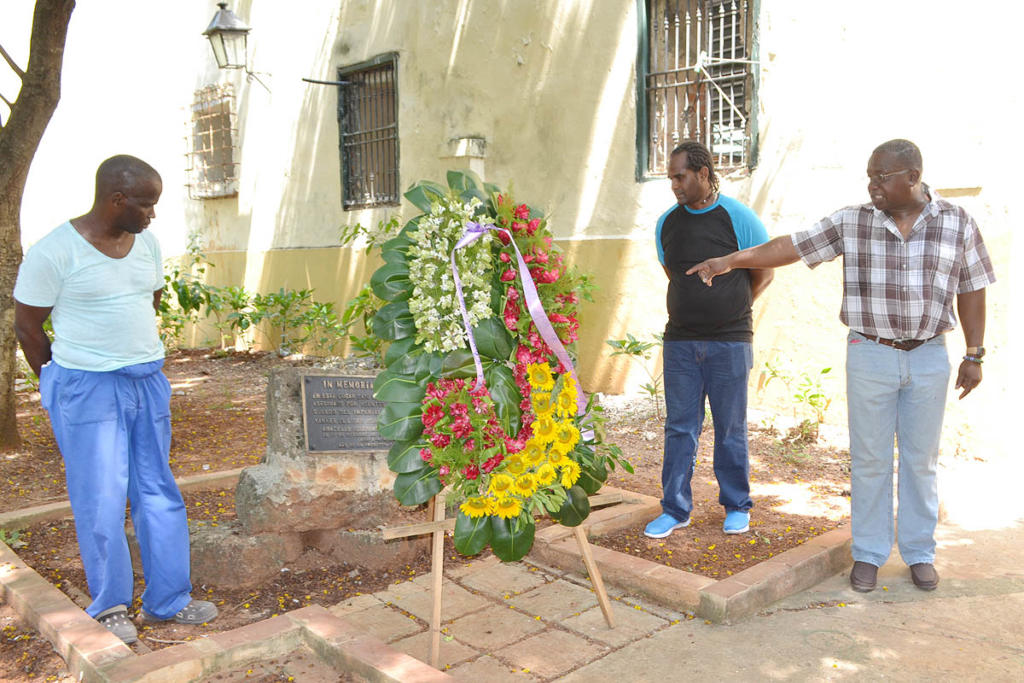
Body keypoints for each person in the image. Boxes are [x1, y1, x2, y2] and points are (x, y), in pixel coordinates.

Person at [688, 139, 994, 592]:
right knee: (869, 460)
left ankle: (919, 552)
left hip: (930, 355)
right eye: (869, 176)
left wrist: (974, 352)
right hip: (870, 352)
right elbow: (791, 247)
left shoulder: (957, 222)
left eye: (882, 177)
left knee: (921, 461)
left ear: (913, 176)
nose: (873, 186)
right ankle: (869, 553)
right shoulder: (854, 221)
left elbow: (972, 287)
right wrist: (730, 261)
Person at [13, 155, 218, 643]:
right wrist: (58, 383)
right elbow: (27, 327)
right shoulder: (54, 253)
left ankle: (169, 600)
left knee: (158, 490)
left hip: (146, 380)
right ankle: (110, 606)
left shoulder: (146, 243)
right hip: (87, 388)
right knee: (101, 496)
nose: (153, 214)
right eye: (146, 204)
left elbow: (147, 301)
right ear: (116, 199)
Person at [644, 141, 773, 540]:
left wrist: (730, 309)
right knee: (680, 427)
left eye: (680, 177)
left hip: (730, 343)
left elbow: (763, 272)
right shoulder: (667, 223)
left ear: (703, 173)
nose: (674, 185)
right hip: (681, 342)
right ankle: (675, 508)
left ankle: (736, 505)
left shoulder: (738, 217)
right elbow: (673, 273)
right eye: (670, 178)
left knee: (730, 427)